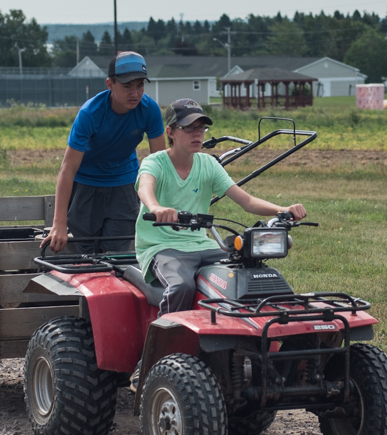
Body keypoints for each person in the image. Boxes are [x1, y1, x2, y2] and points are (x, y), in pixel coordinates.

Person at [136, 98, 305, 316]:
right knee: (182, 286)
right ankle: (165, 341)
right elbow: (145, 187)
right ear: (170, 132)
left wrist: (282, 209)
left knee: (248, 274)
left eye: (201, 127)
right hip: (162, 246)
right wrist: (156, 208)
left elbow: (247, 201)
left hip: (201, 245)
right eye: (189, 128)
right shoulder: (155, 162)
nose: (197, 133)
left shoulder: (208, 165)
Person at [48, 52, 167, 253]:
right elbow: (68, 169)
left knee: (116, 253)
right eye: (127, 86)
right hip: (87, 183)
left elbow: (160, 163)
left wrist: (161, 208)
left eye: (140, 86)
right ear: (110, 84)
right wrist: (59, 223)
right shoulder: (90, 113)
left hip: (124, 183)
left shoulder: (149, 110)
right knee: (84, 252)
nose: (135, 93)